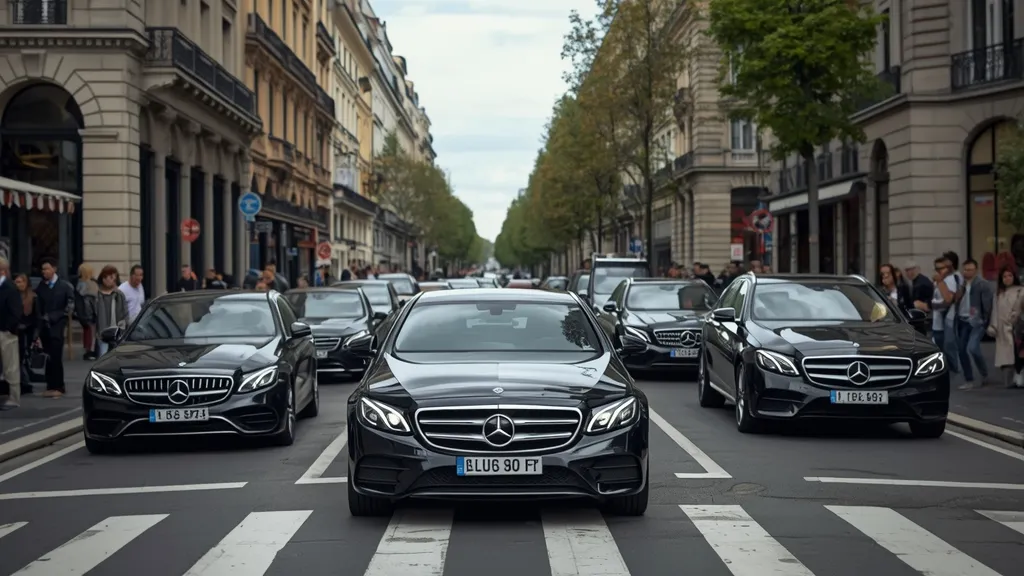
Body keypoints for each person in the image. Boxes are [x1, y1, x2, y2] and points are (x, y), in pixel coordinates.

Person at [35, 258, 75, 398]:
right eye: (43, 269)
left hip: (57, 325)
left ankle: (59, 385)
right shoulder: (41, 286)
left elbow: (69, 306)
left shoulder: (64, 286)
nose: (44, 271)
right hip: (44, 326)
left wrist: (55, 316)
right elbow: (37, 305)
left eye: (47, 268)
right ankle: (50, 385)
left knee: (56, 357)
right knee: (48, 357)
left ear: (54, 269)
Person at [987, 266, 1024, 388]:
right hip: (1002, 328)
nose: (1007, 279)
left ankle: (1018, 376)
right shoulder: (999, 294)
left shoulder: (1020, 291)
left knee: (1018, 353)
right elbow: (995, 311)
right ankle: (1010, 379)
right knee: (1005, 356)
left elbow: (1019, 309)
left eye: (1010, 276)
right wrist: (993, 326)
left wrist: (1014, 318)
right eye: (1004, 276)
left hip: (1016, 327)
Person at [0, 257, 22, 410]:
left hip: (5, 333)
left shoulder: (10, 288)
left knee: (10, 367)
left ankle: (14, 397)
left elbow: (16, 312)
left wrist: (8, 328)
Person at [95, 266, 128, 357]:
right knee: (103, 356)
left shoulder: (119, 294)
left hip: (117, 331)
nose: (108, 280)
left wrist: (123, 327)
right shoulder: (98, 295)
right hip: (103, 331)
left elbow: (125, 312)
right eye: (105, 277)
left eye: (112, 277)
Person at [13, 273, 38, 396]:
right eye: (17, 282)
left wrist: (35, 335)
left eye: (21, 282)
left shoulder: (33, 297)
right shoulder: (12, 296)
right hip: (14, 331)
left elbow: (35, 317)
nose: (19, 285)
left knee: (21, 359)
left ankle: (24, 383)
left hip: (27, 332)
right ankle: (21, 383)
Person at [76, 263, 98, 361]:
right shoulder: (92, 284)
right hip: (90, 313)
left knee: (87, 332)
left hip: (83, 313)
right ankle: (90, 351)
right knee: (92, 332)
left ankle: (87, 349)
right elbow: (93, 301)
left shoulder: (79, 283)